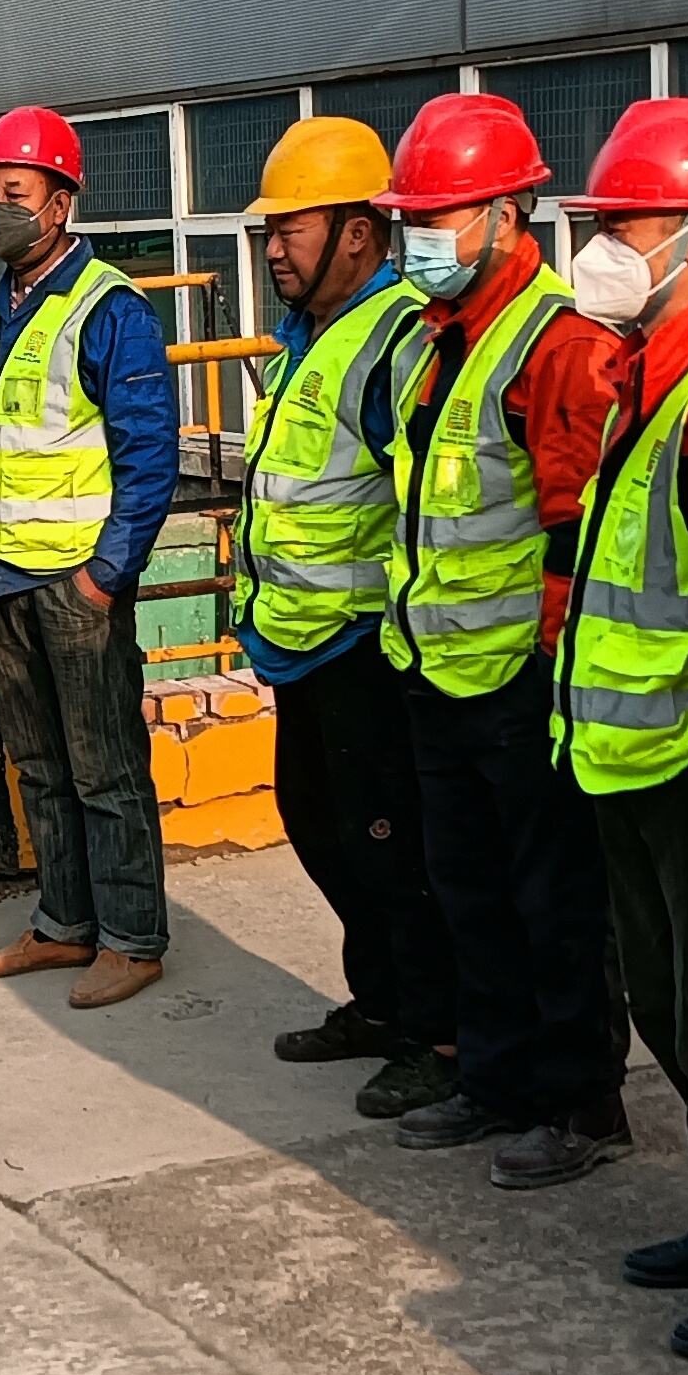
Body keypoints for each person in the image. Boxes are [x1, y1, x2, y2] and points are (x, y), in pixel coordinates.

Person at [373, 95, 632, 1189]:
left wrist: (546, 656)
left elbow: (578, 525)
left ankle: (580, 1102)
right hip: (438, 669)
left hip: (519, 680)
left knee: (552, 899)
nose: (419, 239)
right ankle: (495, 1078)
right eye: (412, 218)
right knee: (466, 889)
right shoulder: (437, 342)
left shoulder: (558, 347)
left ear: (508, 214)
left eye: (441, 215)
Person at [548, 100, 688, 1357]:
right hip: (625, 757)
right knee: (663, 1003)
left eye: (619, 224)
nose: (598, 248)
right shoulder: (652, 374)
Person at [233, 116, 455, 1119]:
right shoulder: (306, 339)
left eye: (293, 228)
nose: (273, 248)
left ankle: (434, 1034)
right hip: (301, 644)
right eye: (268, 232)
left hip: (369, 645)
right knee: (320, 830)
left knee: (388, 846)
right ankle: (378, 1003)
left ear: (360, 232)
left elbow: (424, 500)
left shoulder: (398, 338)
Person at [0, 104, 180, 1009]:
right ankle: (62, 923)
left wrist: (102, 577)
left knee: (104, 764)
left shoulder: (108, 308)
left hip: (72, 581)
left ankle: (131, 937)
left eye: (15, 192)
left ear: (60, 205)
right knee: (39, 763)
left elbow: (148, 454)